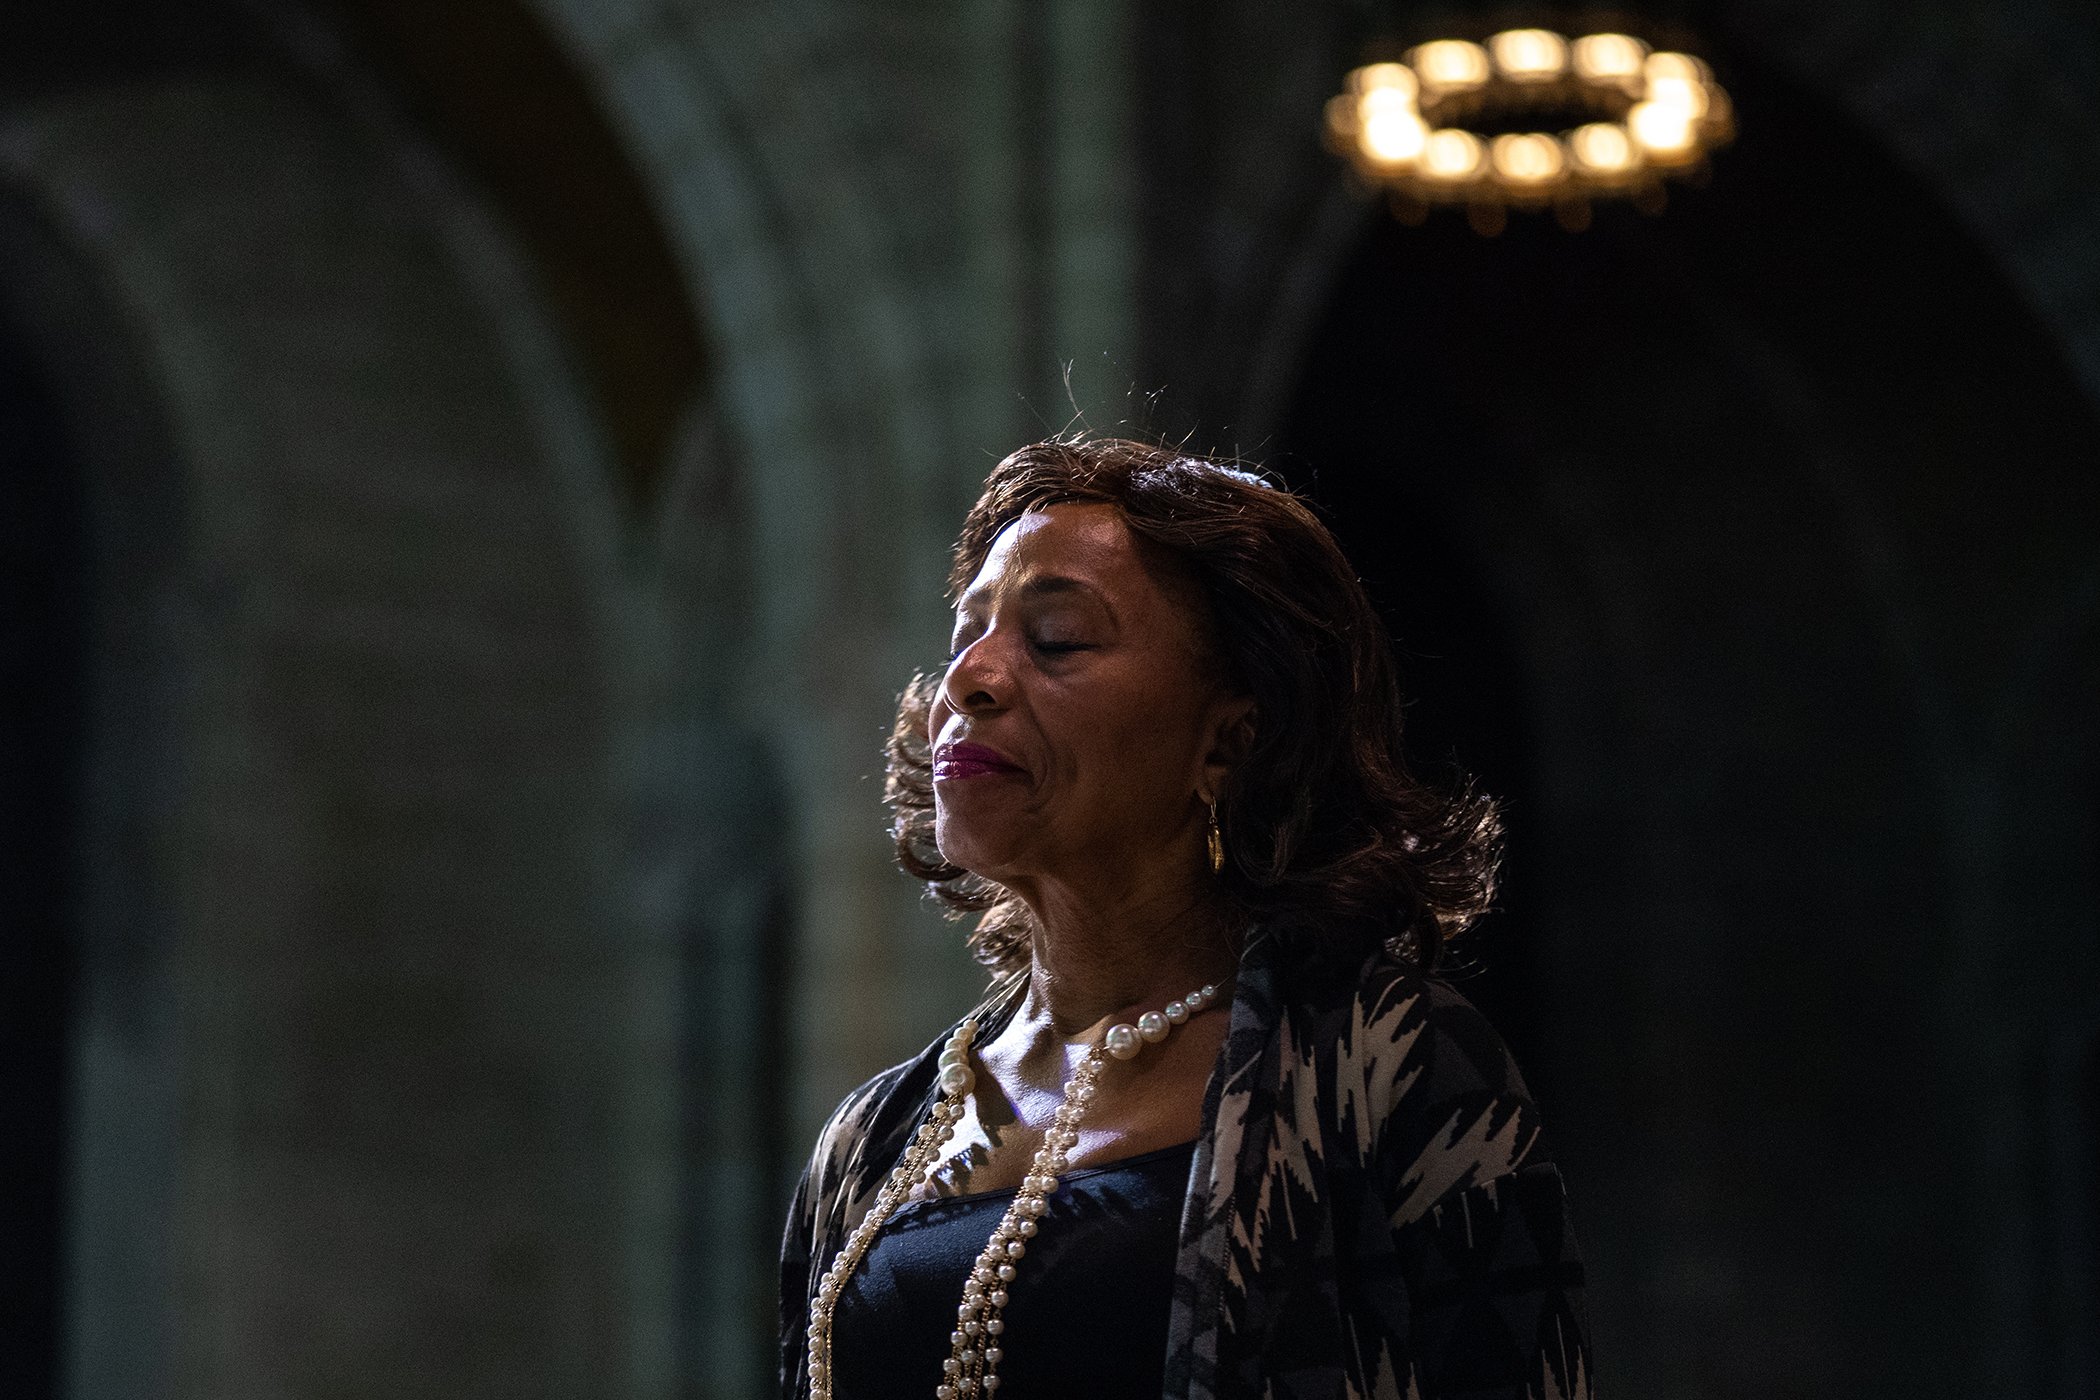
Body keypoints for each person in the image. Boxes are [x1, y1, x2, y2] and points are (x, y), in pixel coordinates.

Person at [780, 436, 1592, 1399]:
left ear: (1230, 743)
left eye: (1057, 640)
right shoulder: (871, 1137)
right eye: (965, 638)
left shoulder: (1389, 1071)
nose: (970, 679)